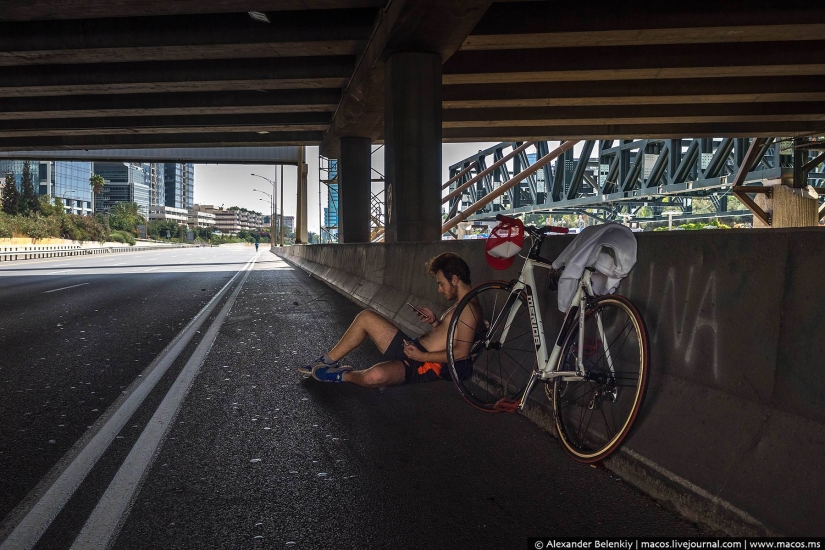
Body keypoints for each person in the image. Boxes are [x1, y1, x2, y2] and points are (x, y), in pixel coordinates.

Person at [298, 252, 480, 386]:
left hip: (422, 363)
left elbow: (461, 352)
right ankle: (326, 361)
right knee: (366, 317)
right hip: (414, 349)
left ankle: (342, 374)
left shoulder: (468, 309)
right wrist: (434, 322)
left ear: (455, 279)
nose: (440, 289)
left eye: (441, 283)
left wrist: (422, 356)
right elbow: (449, 337)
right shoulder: (462, 305)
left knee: (374, 376)